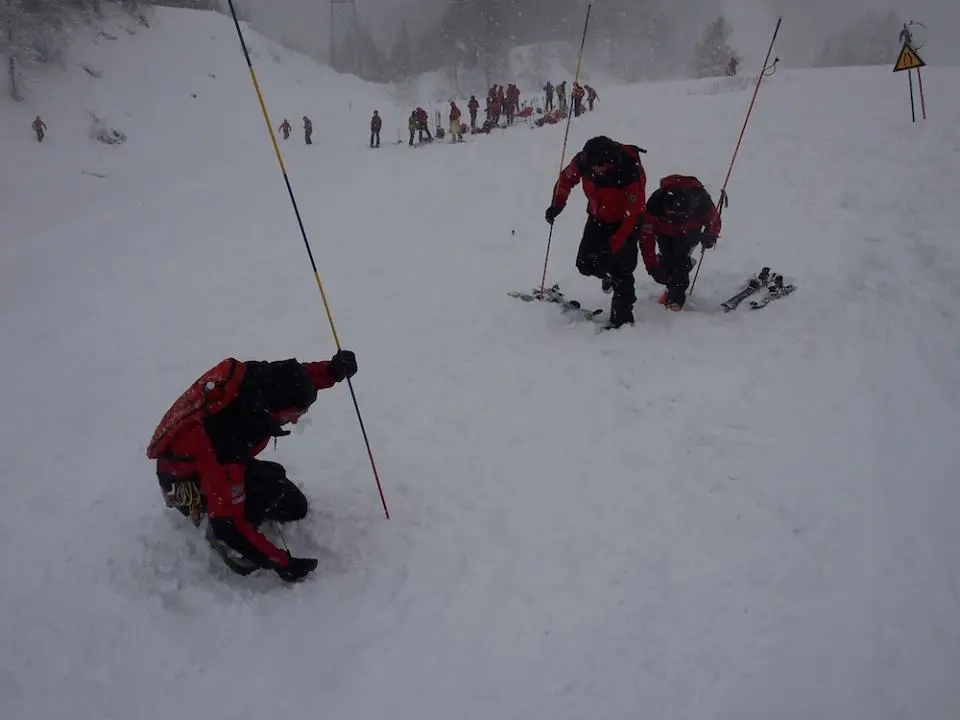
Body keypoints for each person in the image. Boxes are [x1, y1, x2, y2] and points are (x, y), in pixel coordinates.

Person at [146, 350, 359, 582]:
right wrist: (282, 563)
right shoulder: (225, 440)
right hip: (185, 483)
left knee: (295, 506)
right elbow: (228, 523)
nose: (297, 419)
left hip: (216, 462)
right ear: (276, 410)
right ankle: (228, 546)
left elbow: (295, 378)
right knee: (263, 489)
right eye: (297, 413)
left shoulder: (257, 385)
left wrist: (331, 371)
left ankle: (240, 506)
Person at [545, 136, 647, 329]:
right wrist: (557, 205)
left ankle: (622, 319)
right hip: (597, 218)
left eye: (599, 167)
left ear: (610, 162)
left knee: (623, 271)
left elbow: (634, 213)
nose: (594, 171)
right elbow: (565, 180)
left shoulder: (629, 171)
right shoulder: (584, 161)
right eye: (592, 167)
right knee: (584, 264)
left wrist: (616, 243)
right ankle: (608, 273)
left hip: (626, 222)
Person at [639, 175, 722, 311]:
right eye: (671, 215)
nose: (675, 219)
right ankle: (675, 277)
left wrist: (711, 235)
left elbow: (714, 220)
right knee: (667, 261)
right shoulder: (655, 203)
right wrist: (652, 265)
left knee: (680, 262)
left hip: (690, 232)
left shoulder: (701, 200)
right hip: (664, 232)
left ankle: (675, 300)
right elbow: (646, 237)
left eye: (680, 216)